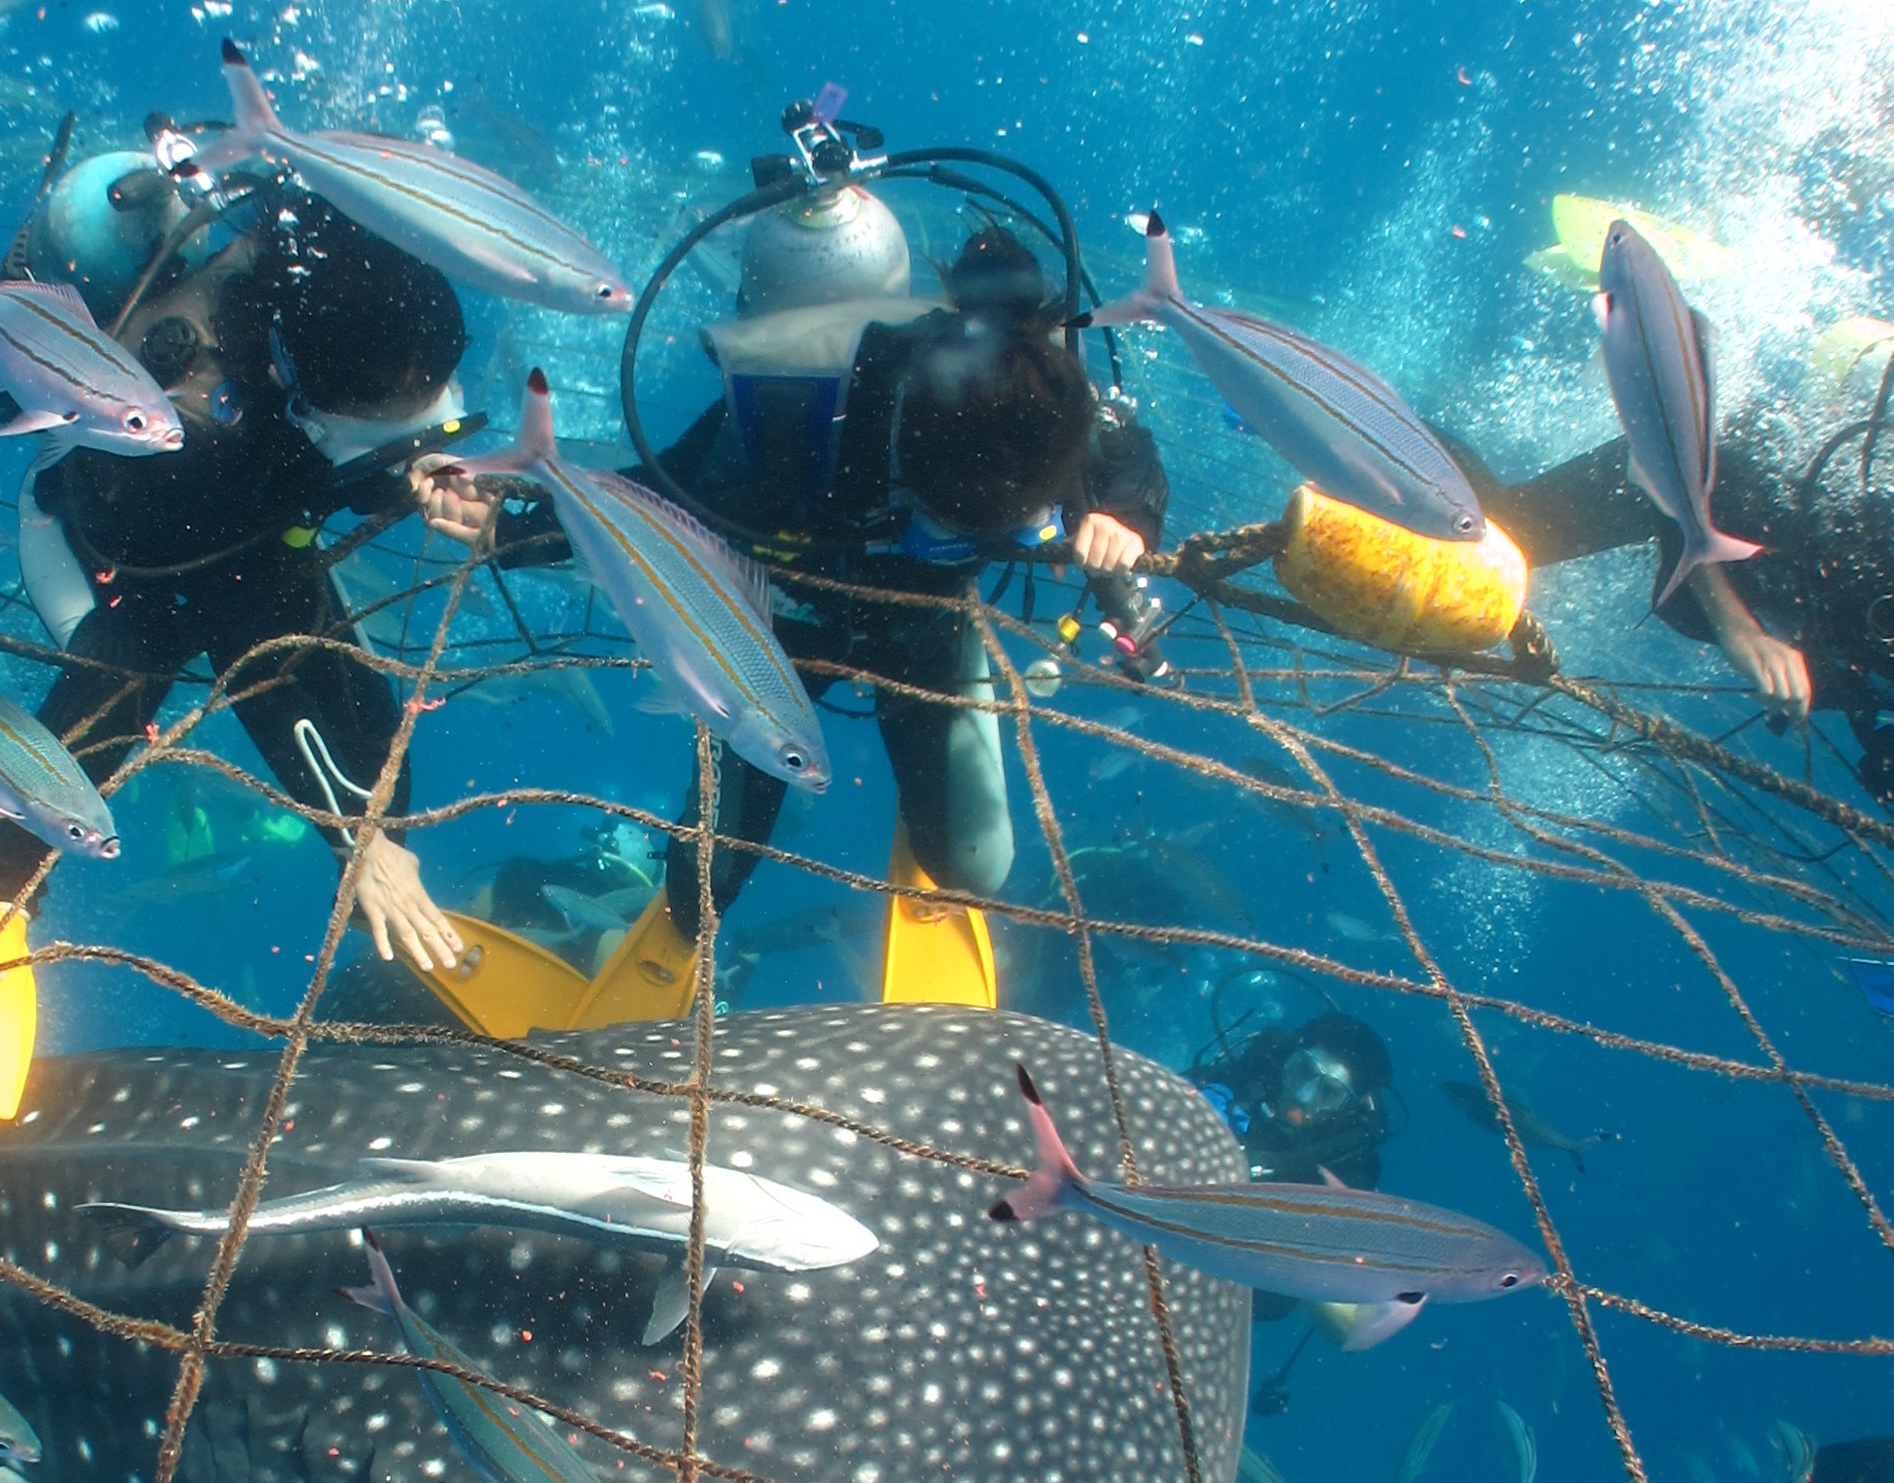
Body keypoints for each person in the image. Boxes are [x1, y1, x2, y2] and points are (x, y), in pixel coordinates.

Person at [412, 170, 1168, 1013]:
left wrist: (1128, 519)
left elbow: (1130, 457)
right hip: (776, 638)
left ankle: (927, 794)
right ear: (901, 463)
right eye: (932, 519)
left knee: (976, 868)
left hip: (927, 634)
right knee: (697, 889)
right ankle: (631, 884)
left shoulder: (1051, 403)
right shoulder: (798, 426)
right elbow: (657, 505)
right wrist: (514, 529)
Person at [0, 122, 473, 976]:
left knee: (375, 759)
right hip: (143, 533)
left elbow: (352, 438)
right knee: (132, 665)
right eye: (385, 416)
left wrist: (417, 467)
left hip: (252, 492)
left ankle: (376, 861)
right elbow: (248, 643)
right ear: (303, 389)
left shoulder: (331, 274)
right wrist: (357, 835)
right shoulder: (199, 435)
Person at [1467, 373, 1894, 807]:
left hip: (1725, 536)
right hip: (1693, 470)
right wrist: (1739, 630)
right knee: (1490, 531)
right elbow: (1685, 465)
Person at [1187, 997, 1395, 1188]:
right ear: (1287, 1060)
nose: (1303, 1096)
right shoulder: (1244, 1079)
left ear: (1346, 1111)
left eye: (1330, 1093)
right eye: (1303, 1070)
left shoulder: (1350, 1173)